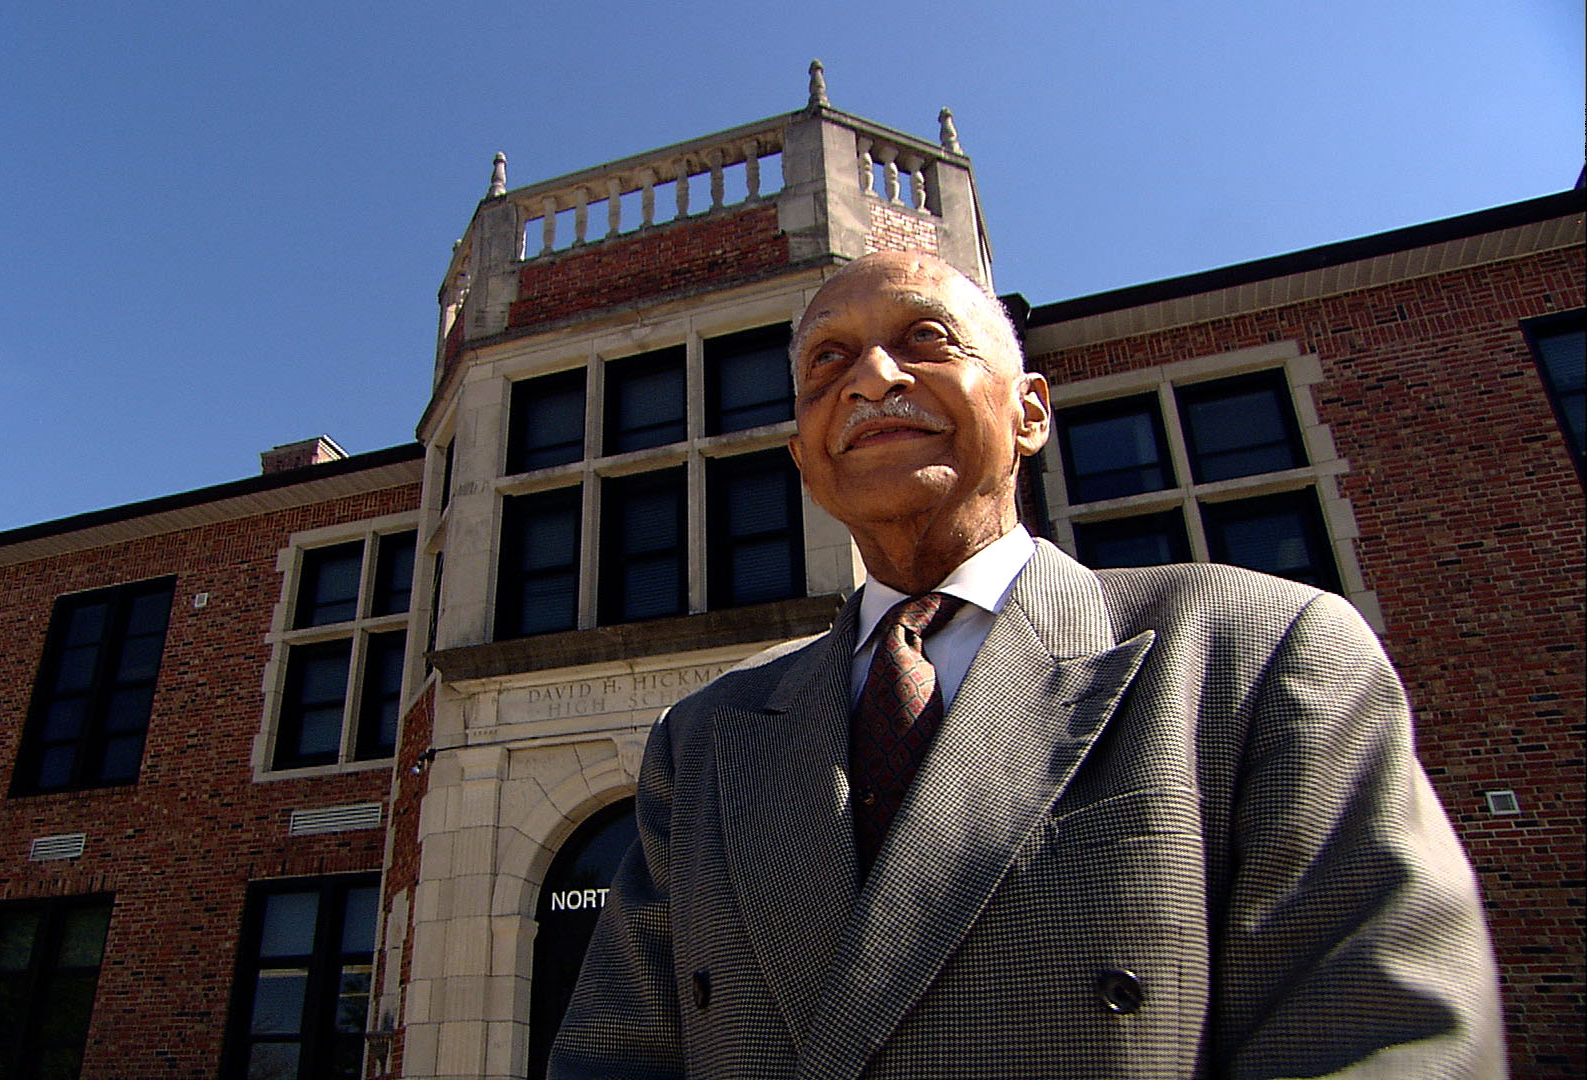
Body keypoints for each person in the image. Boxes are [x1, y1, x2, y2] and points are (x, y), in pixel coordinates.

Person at [547, 251, 1505, 1079]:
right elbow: (615, 1053)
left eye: (926, 339)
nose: (872, 378)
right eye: (826, 360)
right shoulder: (708, 736)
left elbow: (1384, 1038)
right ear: (804, 455)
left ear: (1032, 411)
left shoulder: (1258, 653)